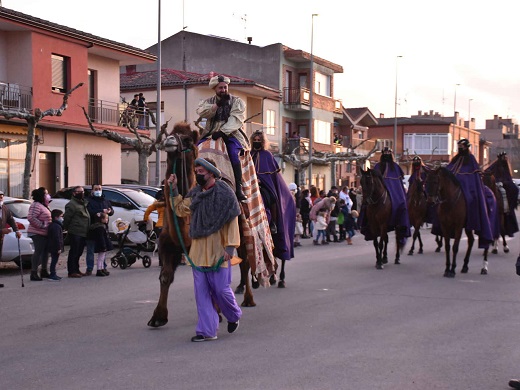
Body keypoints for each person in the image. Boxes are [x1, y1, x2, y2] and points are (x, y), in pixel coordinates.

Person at [168, 157, 242, 342]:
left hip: (219, 251)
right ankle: (207, 331)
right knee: (201, 293)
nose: (198, 174)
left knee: (221, 290)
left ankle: (234, 315)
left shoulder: (225, 194)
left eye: (201, 171)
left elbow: (232, 221)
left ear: (211, 173)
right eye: (197, 171)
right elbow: (180, 209)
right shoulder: (196, 194)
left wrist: (230, 247)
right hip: (198, 252)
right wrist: (174, 189)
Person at [196, 75, 248, 201]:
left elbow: (236, 119)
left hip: (231, 134)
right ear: (215, 88)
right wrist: (215, 106)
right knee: (197, 150)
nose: (223, 90)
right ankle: (197, 183)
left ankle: (238, 188)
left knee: (233, 153)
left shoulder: (236, 101)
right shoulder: (208, 102)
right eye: (220, 88)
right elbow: (202, 112)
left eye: (225, 87)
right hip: (210, 133)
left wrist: (223, 132)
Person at [250, 130, 296, 262]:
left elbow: (272, 176)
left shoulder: (267, 155)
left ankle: (274, 223)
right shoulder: (249, 155)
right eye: (255, 140)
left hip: (265, 186)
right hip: (251, 186)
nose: (257, 142)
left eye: (259, 140)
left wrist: (261, 180)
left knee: (271, 198)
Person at [445, 139, 493, 248]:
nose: (460, 148)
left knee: (472, 198)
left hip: (468, 184)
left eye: (462, 146)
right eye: (459, 146)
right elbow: (449, 169)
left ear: (466, 147)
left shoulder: (471, 159)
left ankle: (472, 218)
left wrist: (462, 178)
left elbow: (473, 175)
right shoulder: (455, 158)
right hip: (456, 183)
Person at [360, 147, 411, 242]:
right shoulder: (378, 166)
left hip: (394, 188)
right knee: (366, 204)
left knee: (401, 203)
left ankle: (401, 224)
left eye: (388, 152)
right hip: (381, 187)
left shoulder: (395, 166)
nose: (386, 154)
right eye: (385, 152)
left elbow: (399, 182)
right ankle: (365, 225)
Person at [484, 152, 519, 237]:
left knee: (514, 189)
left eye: (504, 157)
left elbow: (508, 177)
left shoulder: (506, 166)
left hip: (505, 183)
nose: (503, 158)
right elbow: (488, 171)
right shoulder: (495, 165)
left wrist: (505, 182)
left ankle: (510, 206)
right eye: (502, 157)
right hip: (496, 183)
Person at [86, 184, 113, 275]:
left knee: (103, 248)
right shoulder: (89, 201)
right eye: (96, 189)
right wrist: (101, 211)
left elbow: (112, 211)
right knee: (90, 249)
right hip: (93, 228)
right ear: (92, 190)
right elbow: (89, 211)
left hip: (103, 228)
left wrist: (109, 211)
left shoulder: (105, 200)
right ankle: (89, 268)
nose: (98, 191)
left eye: (100, 189)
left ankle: (102, 267)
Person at [63, 186, 90, 278]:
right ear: (74, 193)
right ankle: (72, 271)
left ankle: (76, 269)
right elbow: (67, 218)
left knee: (79, 252)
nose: (82, 193)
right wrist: (66, 228)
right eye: (79, 192)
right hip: (75, 232)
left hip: (83, 231)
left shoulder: (83, 203)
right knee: (74, 252)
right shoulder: (72, 204)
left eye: (82, 191)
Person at [27, 187, 52, 281]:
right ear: (41, 195)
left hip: (45, 233)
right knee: (38, 252)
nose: (48, 195)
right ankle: (33, 272)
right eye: (46, 193)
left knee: (46, 252)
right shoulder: (36, 205)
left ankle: (44, 270)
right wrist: (41, 225)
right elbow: (31, 217)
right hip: (37, 232)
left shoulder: (44, 205)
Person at [0, 190, 22, 287]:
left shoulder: (4, 208)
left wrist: (16, 230)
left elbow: (11, 219)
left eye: (1, 196)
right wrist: (1, 231)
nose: (1, 198)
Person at [87, 212, 113, 277]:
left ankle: (101, 269)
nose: (107, 220)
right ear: (101, 219)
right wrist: (104, 245)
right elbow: (101, 238)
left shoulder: (101, 226)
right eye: (106, 218)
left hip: (101, 244)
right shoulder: (100, 227)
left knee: (102, 257)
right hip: (101, 245)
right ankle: (99, 269)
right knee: (101, 258)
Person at [144, 190, 165, 266]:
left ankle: (161, 261)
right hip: (167, 226)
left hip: (159, 226)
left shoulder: (157, 204)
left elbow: (148, 210)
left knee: (160, 244)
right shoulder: (169, 203)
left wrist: (146, 219)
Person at [47, 209, 64, 281]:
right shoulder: (56, 226)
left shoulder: (55, 225)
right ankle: (52, 274)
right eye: (61, 216)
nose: (62, 218)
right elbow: (56, 238)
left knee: (54, 260)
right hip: (55, 247)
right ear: (56, 217)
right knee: (54, 260)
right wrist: (59, 248)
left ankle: (53, 273)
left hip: (53, 246)